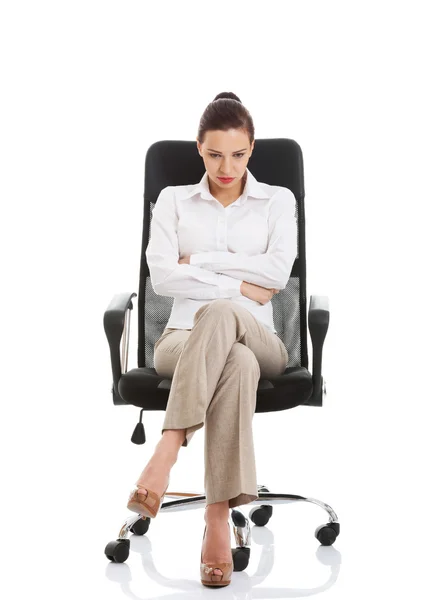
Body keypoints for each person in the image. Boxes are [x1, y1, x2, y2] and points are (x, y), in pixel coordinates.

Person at [126, 92, 298, 587]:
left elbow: (277, 273)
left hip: (264, 341)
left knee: (227, 318)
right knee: (235, 362)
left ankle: (167, 449)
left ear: (252, 150)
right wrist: (242, 284)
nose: (228, 166)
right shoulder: (173, 201)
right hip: (180, 342)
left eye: (239, 154)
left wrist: (197, 264)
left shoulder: (277, 201)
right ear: (199, 149)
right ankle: (218, 519)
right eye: (216, 154)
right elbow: (161, 279)